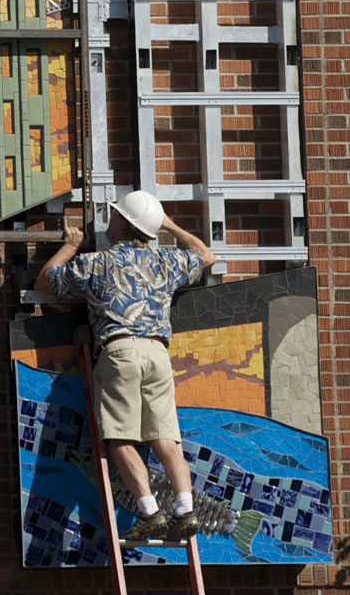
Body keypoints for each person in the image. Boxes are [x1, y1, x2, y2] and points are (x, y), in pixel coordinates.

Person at [35, 190, 216, 542]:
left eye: (115, 216)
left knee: (119, 437)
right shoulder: (167, 262)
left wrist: (71, 245)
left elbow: (45, 280)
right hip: (158, 354)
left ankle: (149, 511)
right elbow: (205, 256)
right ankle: (185, 508)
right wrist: (169, 225)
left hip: (120, 353)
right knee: (166, 437)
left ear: (121, 222)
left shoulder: (98, 263)